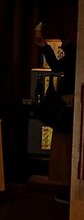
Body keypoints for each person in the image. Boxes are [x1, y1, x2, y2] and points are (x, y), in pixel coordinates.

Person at [34, 23, 74, 199]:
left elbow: (59, 67)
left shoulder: (74, 56)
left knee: (65, 148)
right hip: (70, 108)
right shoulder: (74, 55)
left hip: (68, 108)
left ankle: (69, 187)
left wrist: (45, 47)